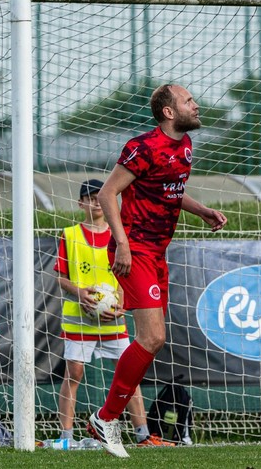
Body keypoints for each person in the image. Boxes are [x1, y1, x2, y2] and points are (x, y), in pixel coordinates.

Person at [87, 84, 228, 458]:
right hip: (135, 250)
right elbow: (106, 194)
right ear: (169, 112)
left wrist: (203, 211)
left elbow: (170, 189)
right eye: (188, 101)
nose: (196, 105)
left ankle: (107, 418)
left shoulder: (184, 146)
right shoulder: (143, 146)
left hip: (157, 252)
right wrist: (123, 244)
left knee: (155, 340)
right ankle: (106, 418)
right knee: (151, 338)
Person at [54, 179, 173, 448]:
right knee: (74, 374)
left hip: (113, 318)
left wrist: (121, 300)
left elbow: (130, 274)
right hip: (79, 318)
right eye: (90, 198)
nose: (96, 202)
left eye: (100, 198)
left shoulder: (120, 236)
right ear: (80, 203)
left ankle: (143, 435)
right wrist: (80, 292)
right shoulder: (70, 234)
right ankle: (66, 438)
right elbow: (61, 277)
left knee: (130, 373)